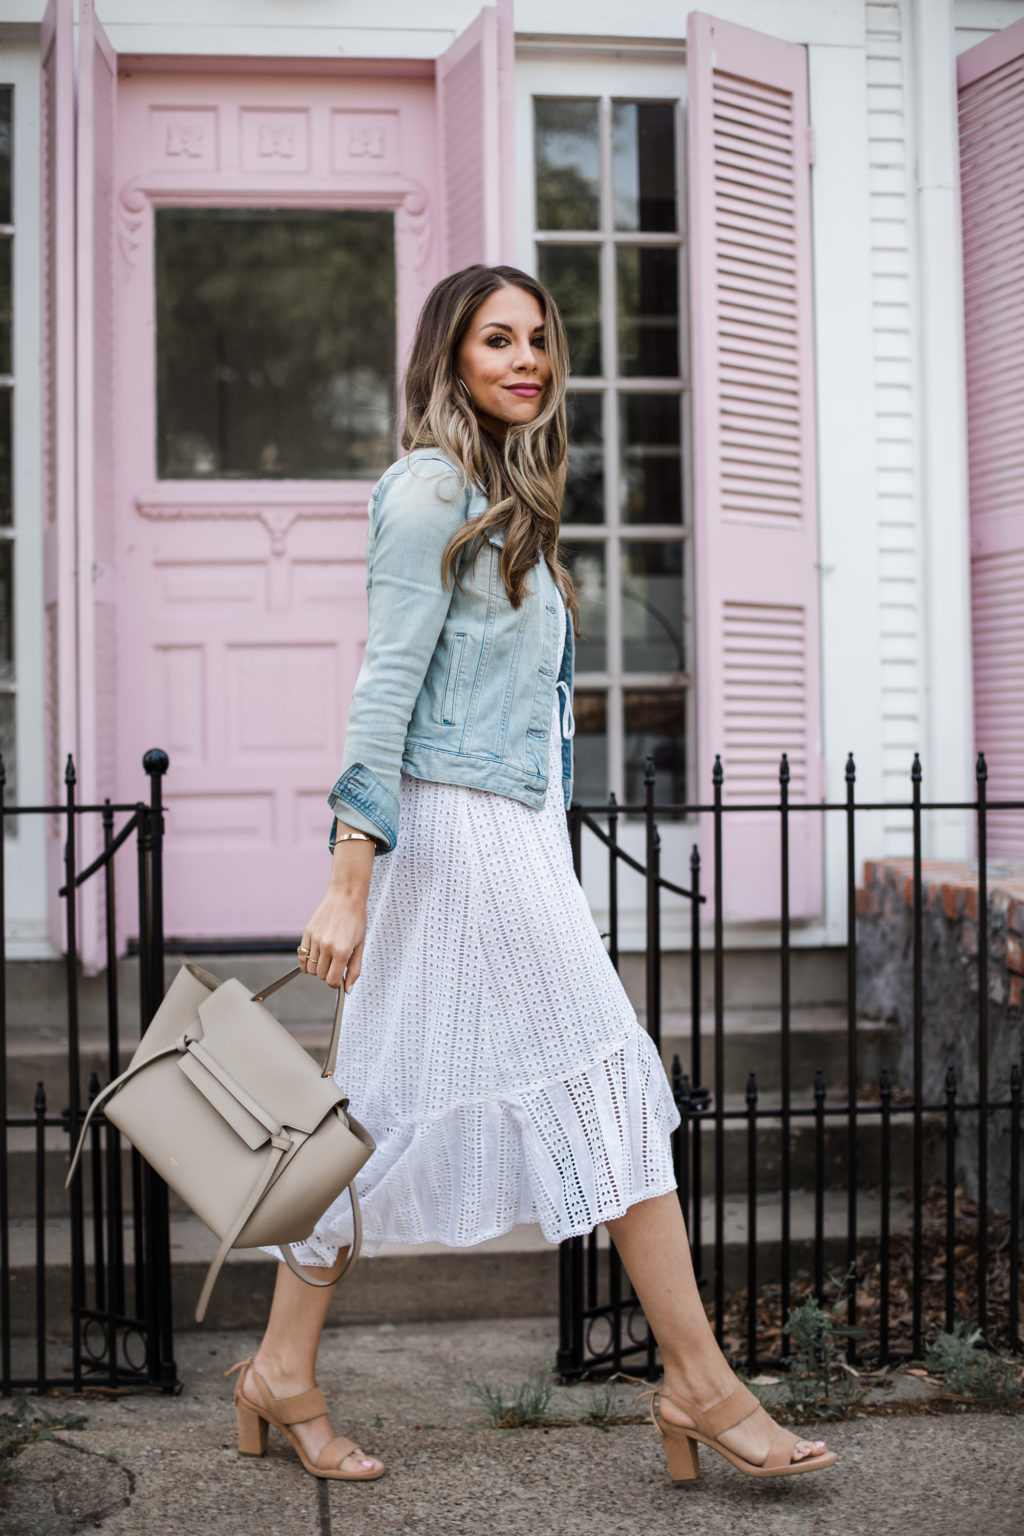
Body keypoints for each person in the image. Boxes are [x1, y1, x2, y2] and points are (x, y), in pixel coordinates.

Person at [228, 265, 836, 1487]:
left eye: (540, 341)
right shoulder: (425, 490)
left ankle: (279, 1371)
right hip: (454, 833)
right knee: (609, 1079)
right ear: (447, 358)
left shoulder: (506, 494)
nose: (527, 360)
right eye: (496, 339)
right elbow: (383, 685)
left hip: (507, 832)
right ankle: (700, 1383)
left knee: (376, 1112)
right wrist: (348, 875)